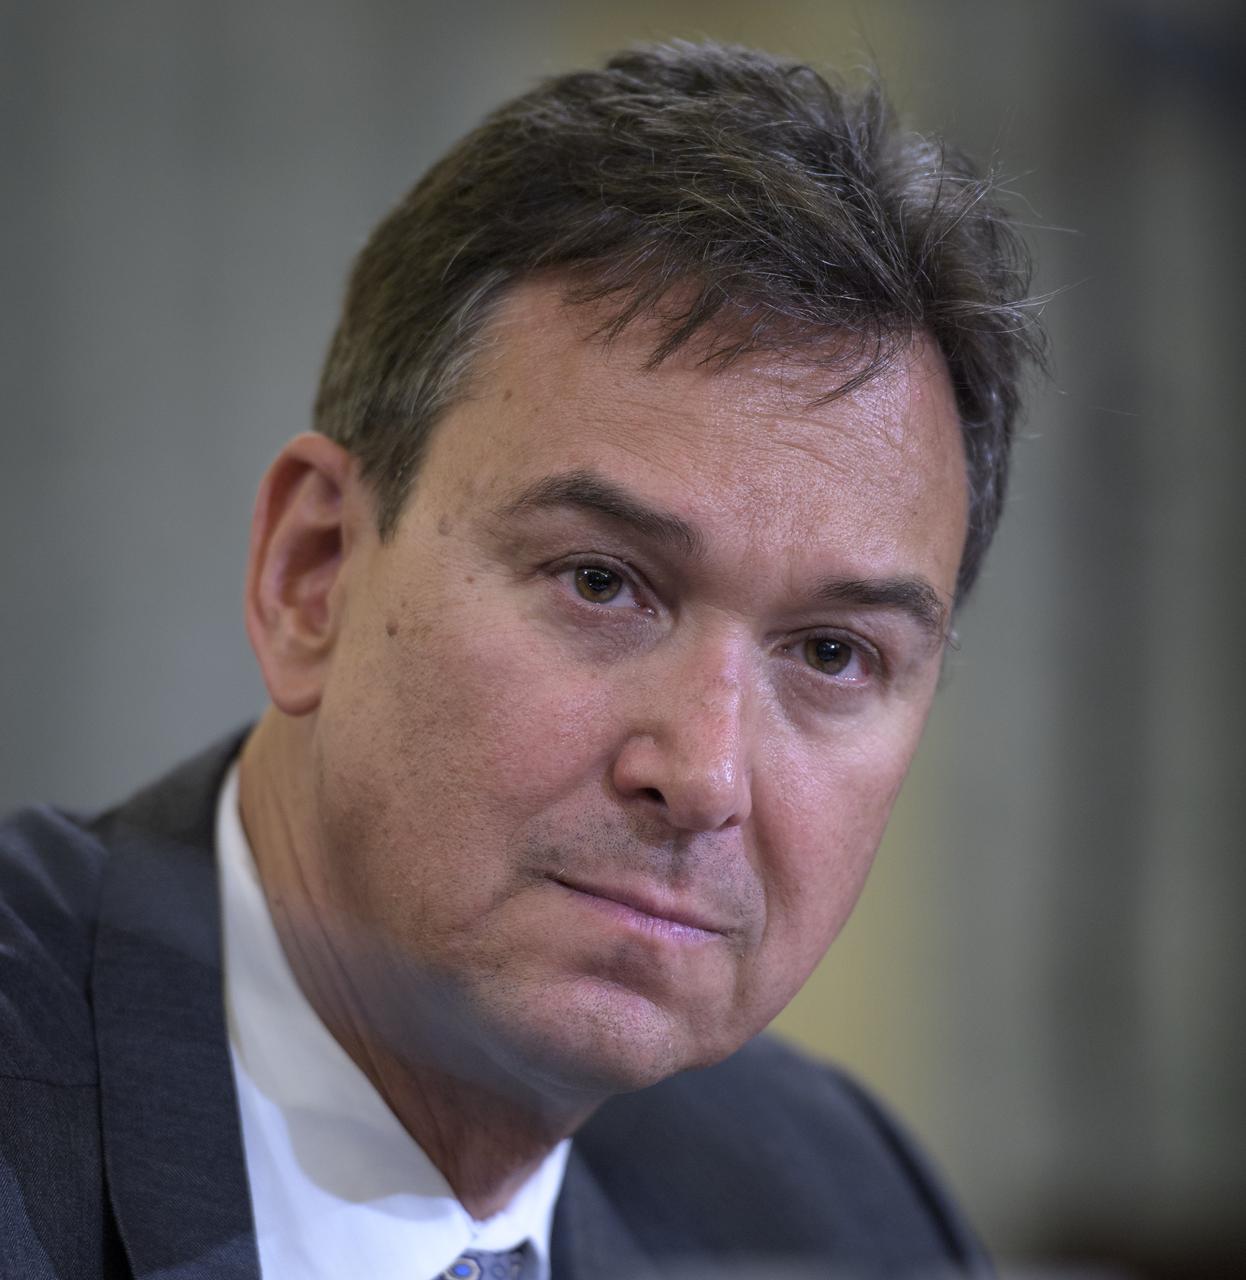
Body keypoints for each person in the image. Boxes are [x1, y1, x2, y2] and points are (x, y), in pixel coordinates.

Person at [0, 40, 1039, 1280]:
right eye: (601, 581)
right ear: (314, 573)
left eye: (829, 651)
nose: (702, 774)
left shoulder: (845, 1214)